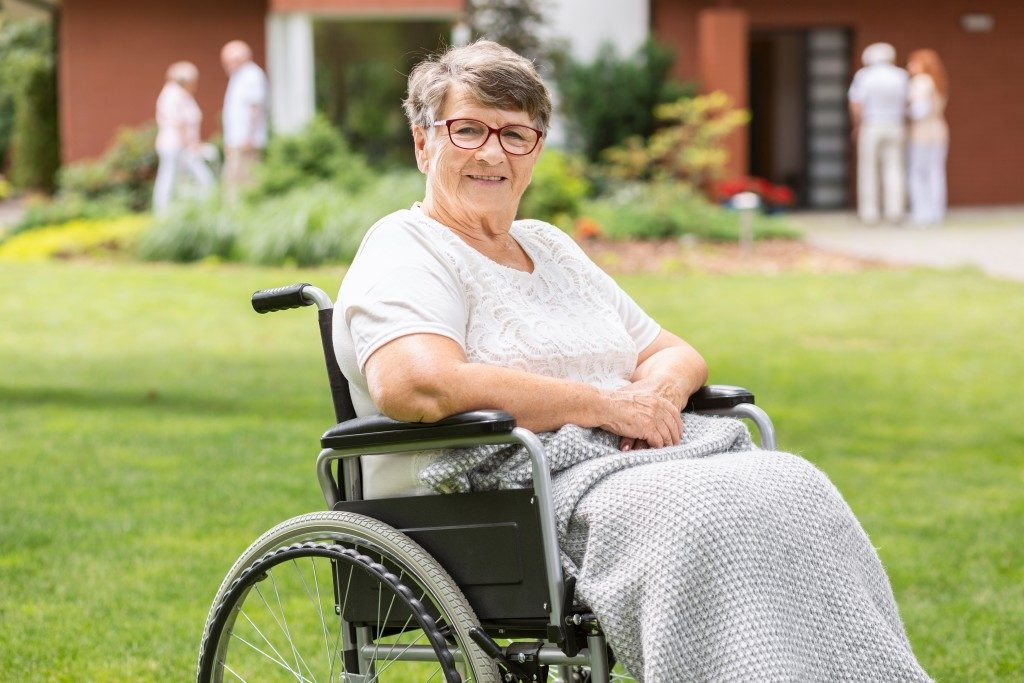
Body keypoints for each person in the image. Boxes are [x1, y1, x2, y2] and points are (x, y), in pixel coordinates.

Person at [333, 40, 931, 680]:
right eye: (469, 129)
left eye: (515, 135)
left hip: (622, 462)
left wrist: (654, 404)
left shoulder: (550, 246)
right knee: (699, 515)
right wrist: (606, 407)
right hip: (507, 494)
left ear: (535, 152)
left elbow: (675, 353)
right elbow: (416, 383)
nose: (492, 152)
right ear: (425, 144)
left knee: (791, 486)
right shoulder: (408, 247)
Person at [848, 42, 909, 224]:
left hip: (872, 125)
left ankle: (869, 213)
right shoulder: (901, 76)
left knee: (868, 169)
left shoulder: (864, 76)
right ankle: (895, 212)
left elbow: (856, 104)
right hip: (896, 125)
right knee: (895, 169)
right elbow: (907, 102)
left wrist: (857, 125)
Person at [152, 61, 214, 214]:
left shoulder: (181, 94)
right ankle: (163, 213)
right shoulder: (173, 94)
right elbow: (180, 122)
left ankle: (194, 211)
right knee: (173, 178)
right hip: (176, 145)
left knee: (183, 179)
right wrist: (191, 144)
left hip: (181, 145)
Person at [220, 40, 268, 200]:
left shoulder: (252, 75)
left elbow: (254, 107)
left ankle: (245, 213)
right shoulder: (238, 76)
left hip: (245, 139)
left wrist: (249, 135)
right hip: (236, 139)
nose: (227, 65)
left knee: (246, 178)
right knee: (235, 178)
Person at [906, 49, 950, 225]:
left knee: (918, 173)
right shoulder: (938, 82)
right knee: (936, 172)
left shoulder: (921, 82)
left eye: (913, 63)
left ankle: (921, 213)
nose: (909, 66)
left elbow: (919, 111)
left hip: (922, 133)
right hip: (939, 130)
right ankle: (936, 211)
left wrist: (905, 111)